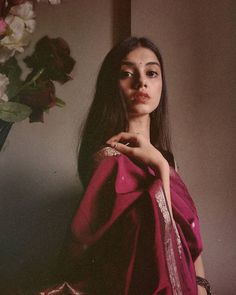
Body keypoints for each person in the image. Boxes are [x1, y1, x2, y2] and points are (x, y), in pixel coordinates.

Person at [42, 37, 211, 295]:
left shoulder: (167, 159)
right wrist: (160, 169)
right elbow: (146, 249)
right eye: (127, 73)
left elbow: (187, 236)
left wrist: (202, 287)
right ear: (113, 85)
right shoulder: (109, 160)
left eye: (151, 73)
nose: (141, 81)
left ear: (162, 85)